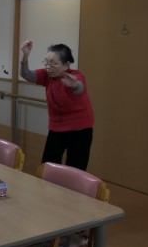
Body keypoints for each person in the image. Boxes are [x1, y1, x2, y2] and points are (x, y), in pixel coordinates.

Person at [19, 40, 94, 171]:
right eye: (46, 62)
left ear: (66, 65)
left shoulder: (75, 76)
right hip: (56, 127)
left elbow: (79, 87)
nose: (48, 66)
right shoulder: (47, 75)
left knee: (75, 170)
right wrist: (25, 56)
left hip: (80, 129)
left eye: (53, 63)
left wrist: (74, 85)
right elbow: (26, 74)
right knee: (47, 165)